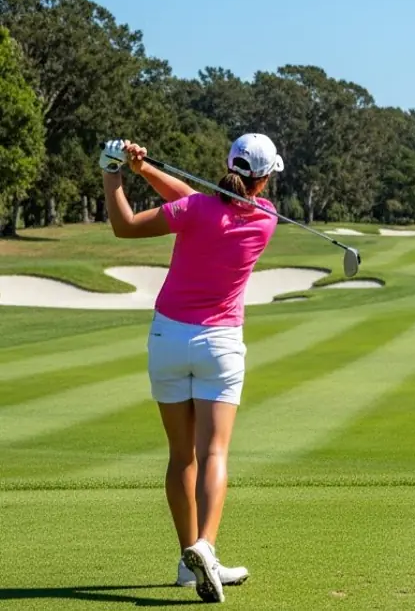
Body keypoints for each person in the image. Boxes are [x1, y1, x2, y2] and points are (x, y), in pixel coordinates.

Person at [99, 134, 284, 604]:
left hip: (167, 339)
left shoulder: (195, 211)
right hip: (220, 344)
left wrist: (114, 172)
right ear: (263, 179)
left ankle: (189, 560)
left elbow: (126, 225)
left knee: (182, 456)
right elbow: (200, 201)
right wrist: (145, 171)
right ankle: (205, 545)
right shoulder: (266, 220)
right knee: (215, 453)